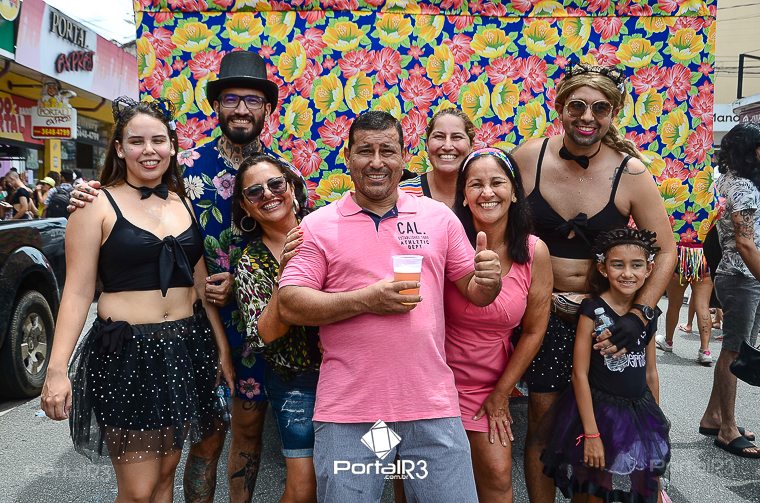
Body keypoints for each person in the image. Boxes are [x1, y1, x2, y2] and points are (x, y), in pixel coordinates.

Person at [69, 50, 288, 501]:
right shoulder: (179, 164)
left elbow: (296, 238)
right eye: (231, 99)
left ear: (267, 108)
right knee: (202, 441)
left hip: (258, 322)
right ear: (216, 106)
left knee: (248, 428)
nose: (241, 109)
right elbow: (128, 199)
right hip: (192, 325)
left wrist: (252, 279)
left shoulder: (281, 172)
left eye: (252, 99)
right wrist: (84, 193)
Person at [277, 111, 502, 502]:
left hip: (430, 407)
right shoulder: (318, 224)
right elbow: (290, 304)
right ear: (348, 157)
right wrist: (367, 300)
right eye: (365, 151)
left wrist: (488, 280)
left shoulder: (438, 218)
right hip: (352, 413)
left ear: (404, 158)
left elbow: (476, 292)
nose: (377, 162)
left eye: (387, 151)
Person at [39, 97, 235, 502]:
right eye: (136, 141)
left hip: (187, 347)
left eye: (158, 140)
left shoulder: (182, 202)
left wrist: (222, 351)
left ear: (172, 147)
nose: (149, 150)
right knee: (138, 490)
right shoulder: (93, 205)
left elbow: (200, 286)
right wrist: (57, 370)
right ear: (119, 148)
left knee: (165, 478)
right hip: (128, 353)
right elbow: (77, 292)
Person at [510, 61, 676, 502]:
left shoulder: (631, 173)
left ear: (613, 113)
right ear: (560, 108)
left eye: (600, 108)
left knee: (598, 429)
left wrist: (640, 315)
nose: (587, 117)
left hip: (606, 320)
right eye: (577, 106)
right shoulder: (528, 158)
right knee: (542, 426)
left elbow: (667, 250)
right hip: (543, 317)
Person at [445, 147, 552, 501]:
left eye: (497, 182)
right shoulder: (445, 241)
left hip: (489, 387)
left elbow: (534, 330)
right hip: (436, 382)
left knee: (497, 475)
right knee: (424, 480)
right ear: (464, 195)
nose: (487, 192)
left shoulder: (534, 251)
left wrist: (502, 394)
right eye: (476, 184)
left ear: (515, 191)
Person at [541, 227, 670, 502]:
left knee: (645, 485)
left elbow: (650, 372)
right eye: (618, 264)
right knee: (594, 487)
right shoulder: (591, 310)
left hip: (638, 411)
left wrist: (652, 426)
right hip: (599, 413)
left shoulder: (647, 316)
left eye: (637, 265)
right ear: (602, 268)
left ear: (649, 269)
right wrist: (591, 433)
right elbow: (579, 374)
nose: (627, 273)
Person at [233, 154, 321, 503]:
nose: (268, 194)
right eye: (254, 192)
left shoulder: (327, 227)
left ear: (291, 187)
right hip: (296, 381)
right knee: (303, 487)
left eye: (275, 184)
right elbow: (264, 336)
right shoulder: (250, 262)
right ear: (246, 207)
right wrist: (284, 276)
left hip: (352, 373)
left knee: (358, 471)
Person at [699, 123, 760, 458]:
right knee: (734, 352)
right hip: (742, 276)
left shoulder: (729, 180)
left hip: (740, 275)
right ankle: (727, 429)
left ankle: (714, 417)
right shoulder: (744, 188)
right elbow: (745, 242)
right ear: (751, 150)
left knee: (735, 349)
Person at [399, 107, 476, 207]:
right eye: (439, 136)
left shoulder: (482, 194)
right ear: (427, 144)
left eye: (457, 137)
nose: (447, 146)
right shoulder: (403, 194)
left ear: (471, 145)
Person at [654, 243, 714, 365]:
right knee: (703, 306)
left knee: (674, 305)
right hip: (703, 255)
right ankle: (705, 350)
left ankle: (668, 341)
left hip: (678, 255)